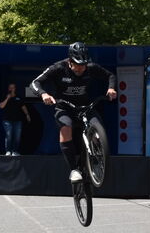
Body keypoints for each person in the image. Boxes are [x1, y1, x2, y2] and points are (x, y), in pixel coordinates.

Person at [32, 42, 117, 184]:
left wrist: (111, 88)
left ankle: (95, 154)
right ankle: (74, 169)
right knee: (66, 128)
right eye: (78, 65)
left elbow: (110, 76)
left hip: (85, 106)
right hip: (64, 107)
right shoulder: (58, 68)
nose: (81, 68)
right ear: (70, 61)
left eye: (83, 65)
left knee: (98, 126)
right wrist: (43, 94)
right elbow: (35, 82)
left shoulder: (90, 68)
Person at [0, 83, 30, 155]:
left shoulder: (18, 97)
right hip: (7, 120)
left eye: (13, 88)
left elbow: (23, 107)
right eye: (10, 87)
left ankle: (14, 151)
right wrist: (7, 98)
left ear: (15, 89)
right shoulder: (4, 96)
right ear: (8, 88)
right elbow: (1, 106)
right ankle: (8, 151)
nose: (11, 89)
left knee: (17, 136)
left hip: (18, 120)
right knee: (9, 135)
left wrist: (27, 115)